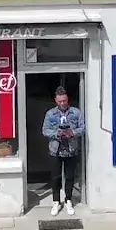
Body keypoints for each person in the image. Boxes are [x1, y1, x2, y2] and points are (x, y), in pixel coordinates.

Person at [41, 86, 85, 216]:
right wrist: (57, 133)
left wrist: (73, 132)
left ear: (67, 100)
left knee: (70, 177)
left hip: (71, 150)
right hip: (56, 150)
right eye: (60, 101)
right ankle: (56, 201)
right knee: (56, 177)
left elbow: (82, 128)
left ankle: (68, 200)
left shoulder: (76, 112)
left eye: (64, 101)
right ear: (56, 100)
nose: (62, 104)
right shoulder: (50, 114)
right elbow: (45, 130)